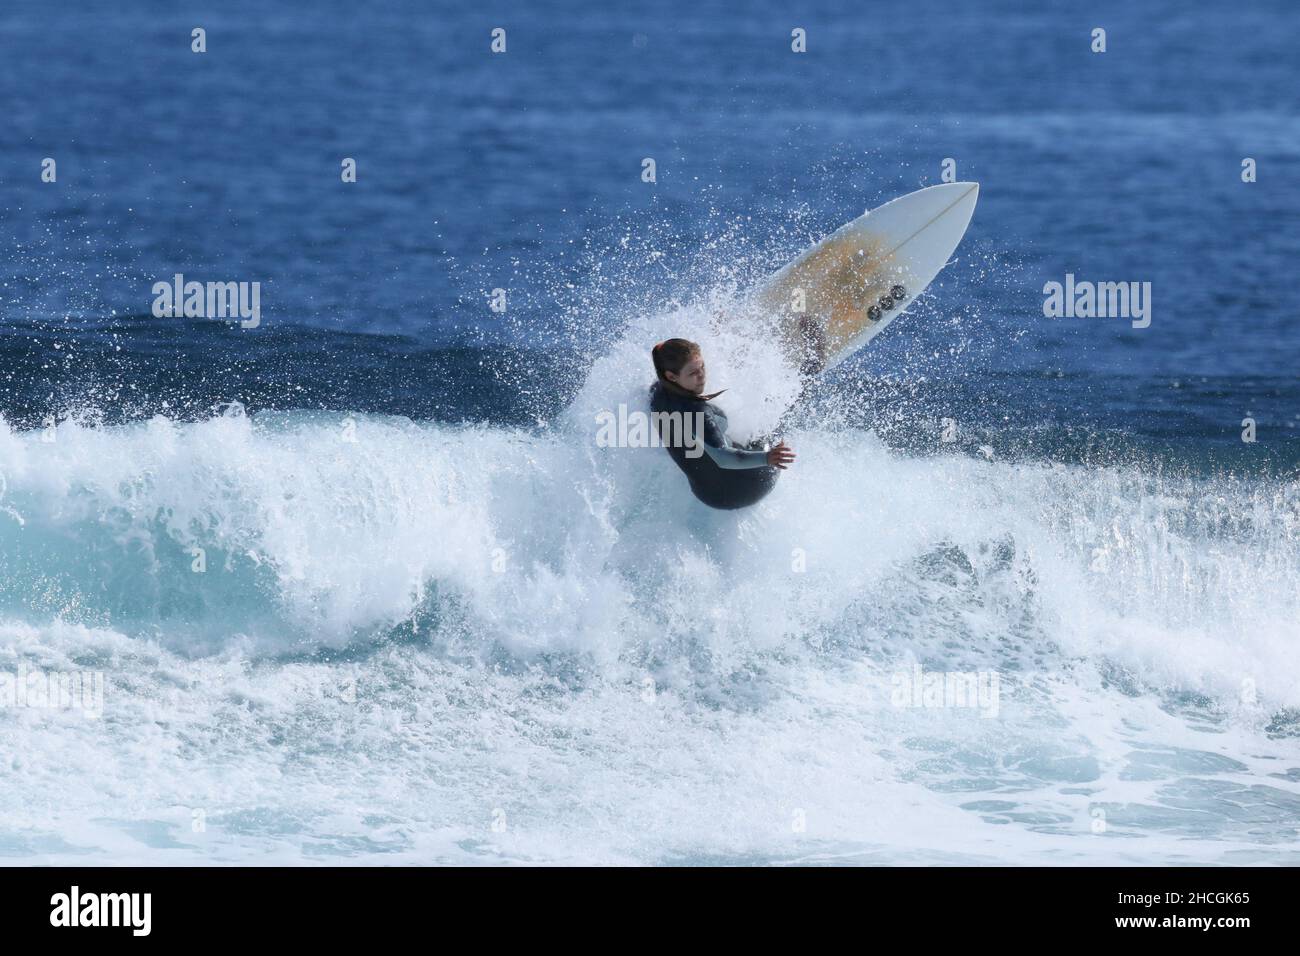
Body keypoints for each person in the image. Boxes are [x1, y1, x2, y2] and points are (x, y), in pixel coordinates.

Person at [648, 338, 796, 510]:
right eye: (692, 373)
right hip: (745, 488)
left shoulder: (657, 391)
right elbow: (723, 458)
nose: (702, 376)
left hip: (706, 493)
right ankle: (813, 367)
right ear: (671, 376)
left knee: (715, 440)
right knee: (774, 427)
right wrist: (767, 458)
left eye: (702, 367)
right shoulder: (697, 413)